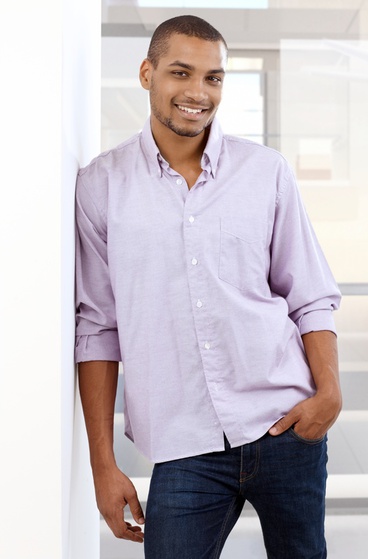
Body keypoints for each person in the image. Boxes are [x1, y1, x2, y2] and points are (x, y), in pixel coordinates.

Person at [75, 15, 342, 559]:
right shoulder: (101, 186)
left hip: (284, 426)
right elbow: (99, 329)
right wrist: (103, 465)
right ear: (147, 73)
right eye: (181, 73)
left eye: (213, 78)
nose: (198, 93)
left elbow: (309, 295)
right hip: (182, 444)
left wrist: (330, 394)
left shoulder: (265, 172)